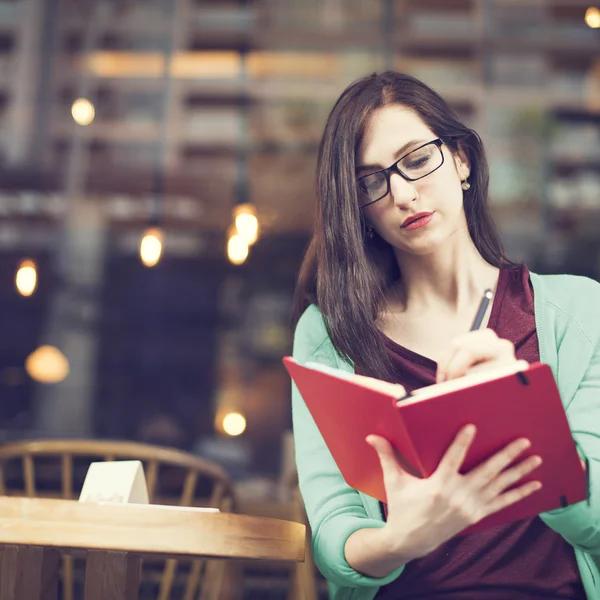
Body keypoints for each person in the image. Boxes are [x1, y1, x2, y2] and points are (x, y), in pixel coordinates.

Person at [290, 71, 600, 600]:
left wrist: (525, 418)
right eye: (371, 182)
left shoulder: (578, 310)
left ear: (462, 161)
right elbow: (332, 534)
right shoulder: (330, 334)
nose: (404, 195)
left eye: (417, 160)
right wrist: (398, 540)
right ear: (357, 207)